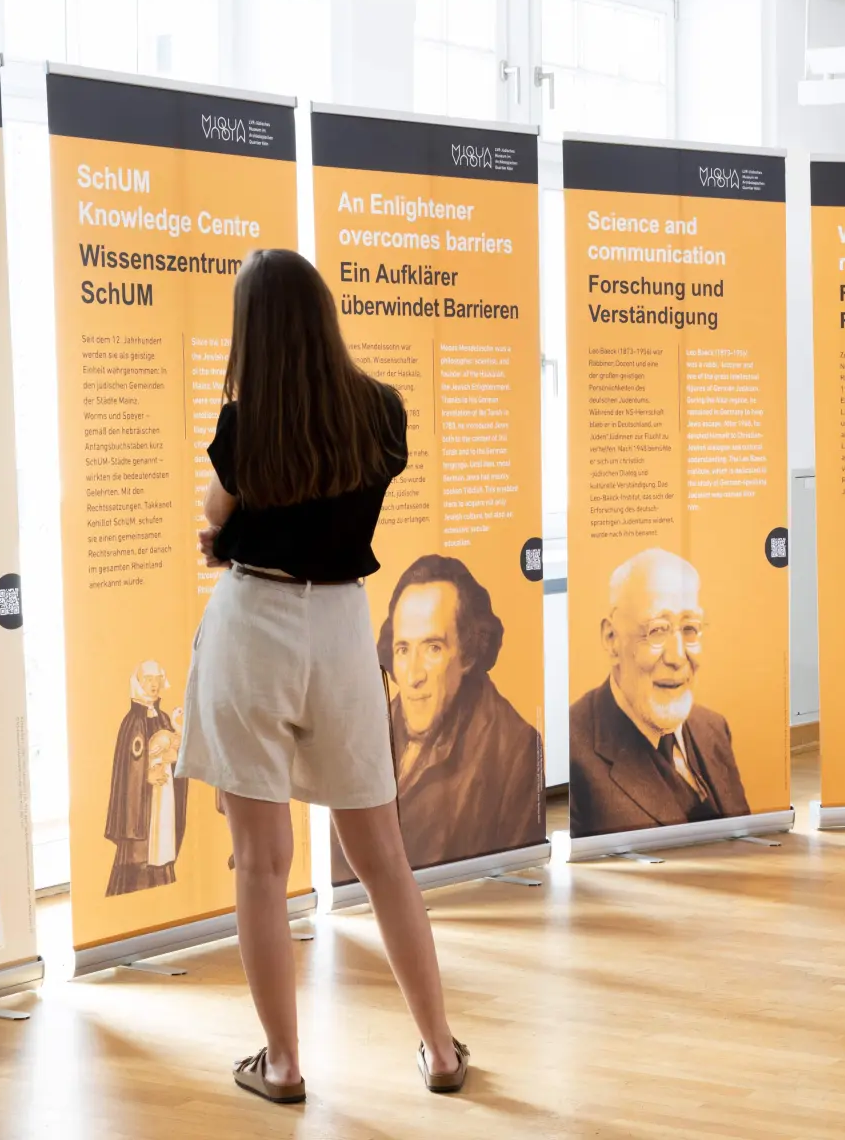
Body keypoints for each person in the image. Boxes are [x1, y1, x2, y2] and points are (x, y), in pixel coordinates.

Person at [176, 248, 466, 1103]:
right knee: (382, 855)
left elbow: (217, 511)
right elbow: (329, 496)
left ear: (251, 330)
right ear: (323, 313)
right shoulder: (381, 413)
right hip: (342, 627)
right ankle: (441, 1051)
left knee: (260, 862)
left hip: (252, 627)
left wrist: (225, 535)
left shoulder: (244, 422)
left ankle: (283, 1065)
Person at [568, 548, 750, 838]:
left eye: (690, 629)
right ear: (612, 639)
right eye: (657, 631)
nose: (677, 657)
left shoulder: (713, 729)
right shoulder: (576, 750)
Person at [378, 555, 544, 870]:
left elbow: (520, 879)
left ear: (468, 652)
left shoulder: (515, 751)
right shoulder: (372, 730)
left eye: (432, 648)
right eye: (403, 649)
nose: (413, 676)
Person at [103, 660, 188, 896]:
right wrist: (145, 777)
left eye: (157, 680)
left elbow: (177, 749)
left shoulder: (162, 718)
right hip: (143, 805)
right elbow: (126, 770)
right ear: (139, 683)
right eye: (148, 680)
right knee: (142, 856)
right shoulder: (132, 722)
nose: (154, 685)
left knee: (162, 849)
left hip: (164, 796)